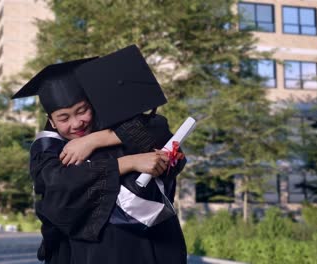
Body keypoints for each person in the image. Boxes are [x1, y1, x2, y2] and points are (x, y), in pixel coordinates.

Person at [12, 48, 187, 264]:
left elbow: (159, 130)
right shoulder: (47, 147)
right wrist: (128, 162)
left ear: (92, 104)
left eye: (82, 110)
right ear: (51, 119)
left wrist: (94, 140)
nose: (76, 123)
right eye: (63, 117)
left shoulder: (114, 123)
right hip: (90, 251)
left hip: (152, 246)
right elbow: (61, 186)